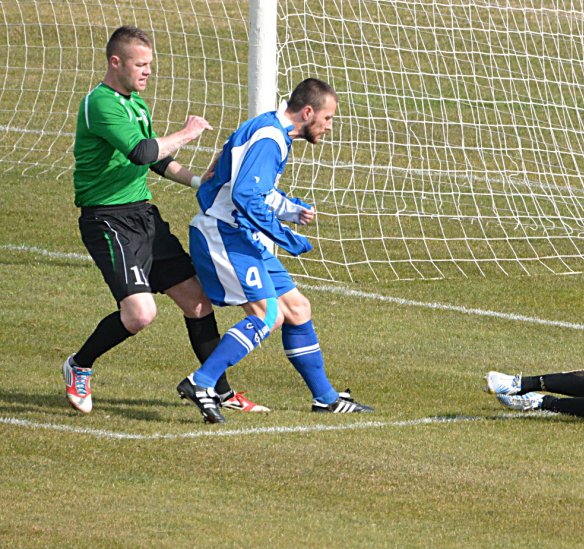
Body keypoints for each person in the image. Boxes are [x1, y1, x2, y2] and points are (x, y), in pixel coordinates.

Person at [64, 25, 267, 415]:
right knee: (140, 314)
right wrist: (188, 133)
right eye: (140, 64)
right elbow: (141, 152)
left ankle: (220, 391)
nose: (147, 71)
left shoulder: (136, 104)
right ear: (115, 62)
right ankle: (79, 365)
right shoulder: (101, 103)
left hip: (143, 216)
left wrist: (198, 182)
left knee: (197, 302)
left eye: (149, 64)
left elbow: (156, 160)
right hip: (108, 221)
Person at [176, 78, 373, 423]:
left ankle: (326, 399)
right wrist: (284, 236)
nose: (329, 127)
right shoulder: (269, 139)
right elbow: (244, 196)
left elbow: (253, 188)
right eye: (327, 118)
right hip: (223, 234)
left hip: (241, 234)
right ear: (307, 112)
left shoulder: (272, 132)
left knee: (297, 308)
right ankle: (201, 382)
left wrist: (291, 210)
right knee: (268, 315)